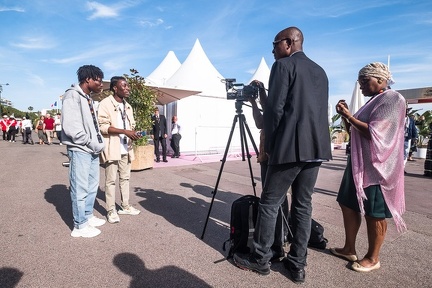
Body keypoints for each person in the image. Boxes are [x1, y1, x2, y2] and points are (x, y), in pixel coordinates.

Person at [233, 27, 332, 284]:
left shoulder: (283, 66)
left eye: (275, 44)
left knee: (269, 203)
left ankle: (261, 259)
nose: (273, 50)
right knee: (302, 205)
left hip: (289, 148)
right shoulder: (320, 71)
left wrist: (271, 148)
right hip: (315, 149)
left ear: (289, 43)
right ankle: (297, 265)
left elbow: (275, 112)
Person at [330, 62, 406, 272]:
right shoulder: (374, 101)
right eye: (360, 82)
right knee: (348, 203)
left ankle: (373, 257)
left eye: (365, 81)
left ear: (381, 80)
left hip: (377, 168)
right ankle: (349, 248)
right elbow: (355, 130)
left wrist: (348, 116)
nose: (361, 85)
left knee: (375, 213)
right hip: (358, 165)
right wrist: (347, 115)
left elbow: (376, 133)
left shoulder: (393, 99)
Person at [61, 64, 106, 238]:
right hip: (80, 149)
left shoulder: (87, 98)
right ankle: (79, 225)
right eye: (98, 81)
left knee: (92, 185)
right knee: (79, 187)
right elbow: (71, 128)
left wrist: (97, 143)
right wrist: (91, 143)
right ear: (88, 79)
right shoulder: (72, 95)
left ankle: (87, 216)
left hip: (91, 149)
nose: (101, 84)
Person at [98, 76, 141, 224]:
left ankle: (125, 206)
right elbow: (102, 127)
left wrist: (134, 133)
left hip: (126, 148)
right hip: (112, 148)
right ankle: (111, 210)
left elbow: (131, 125)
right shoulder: (105, 104)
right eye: (124, 86)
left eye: (128, 86)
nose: (128, 88)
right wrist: (124, 131)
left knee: (125, 179)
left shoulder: (128, 106)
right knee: (110, 181)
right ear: (115, 88)